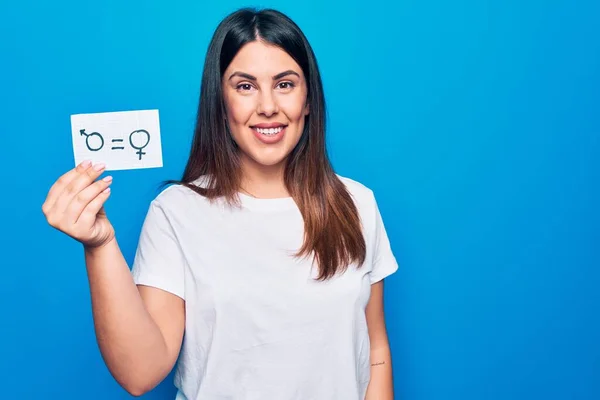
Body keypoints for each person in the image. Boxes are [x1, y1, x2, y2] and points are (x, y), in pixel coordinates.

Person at [42, 7, 399, 400]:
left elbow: (375, 350)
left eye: (285, 84)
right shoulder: (175, 212)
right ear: (220, 102)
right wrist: (100, 245)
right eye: (245, 86)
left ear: (308, 99)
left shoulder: (356, 204)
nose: (267, 106)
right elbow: (140, 372)